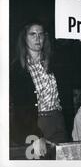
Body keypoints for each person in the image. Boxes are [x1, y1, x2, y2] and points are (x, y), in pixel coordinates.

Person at [10, 20, 68, 158]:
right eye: (33, 34)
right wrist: (35, 135)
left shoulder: (54, 63)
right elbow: (21, 107)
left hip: (57, 122)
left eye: (41, 34)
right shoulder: (17, 69)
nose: (38, 38)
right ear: (24, 37)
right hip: (34, 123)